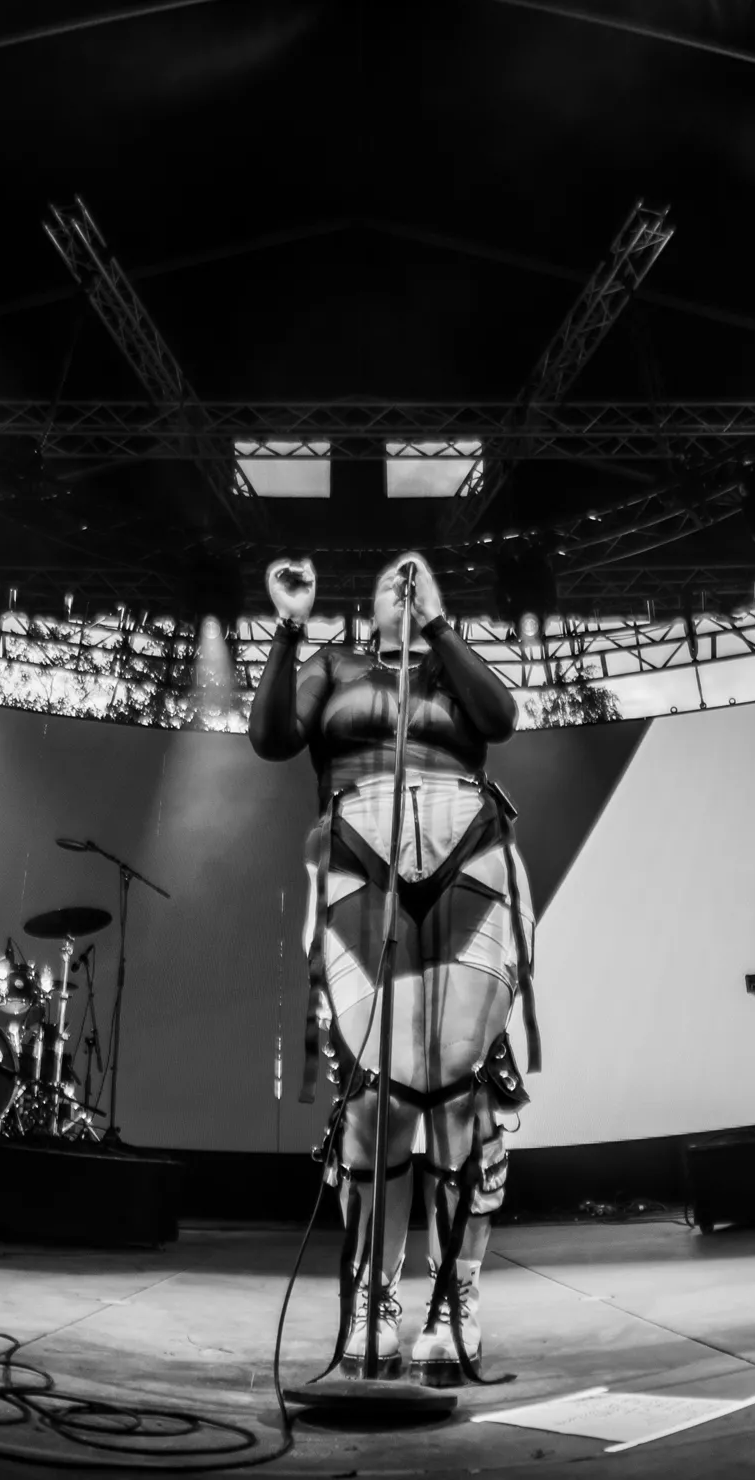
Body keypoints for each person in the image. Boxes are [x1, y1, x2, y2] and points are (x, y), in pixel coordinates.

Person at [250, 550, 530, 1384]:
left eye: (419, 578)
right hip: (357, 855)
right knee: (377, 1095)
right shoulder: (334, 666)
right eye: (389, 581)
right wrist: (289, 627)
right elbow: (271, 738)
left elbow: (501, 718)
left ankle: (454, 1297)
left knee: (462, 1091)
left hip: (469, 852)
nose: (404, 583)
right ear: (366, 607)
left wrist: (438, 625)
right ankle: (375, 1300)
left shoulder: (452, 666)